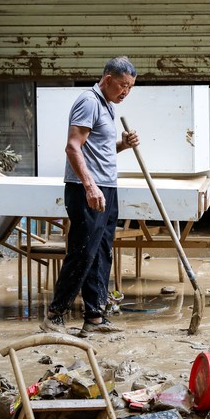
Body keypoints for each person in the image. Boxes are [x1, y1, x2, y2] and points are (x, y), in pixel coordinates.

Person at [41, 56, 139, 335]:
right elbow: (73, 147)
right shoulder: (89, 101)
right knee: (83, 253)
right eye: (122, 85)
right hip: (88, 190)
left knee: (101, 252)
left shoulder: (106, 105)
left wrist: (123, 144)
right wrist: (89, 186)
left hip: (107, 187)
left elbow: (99, 149)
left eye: (130, 87)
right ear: (107, 79)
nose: (126, 92)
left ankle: (94, 317)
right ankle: (55, 314)